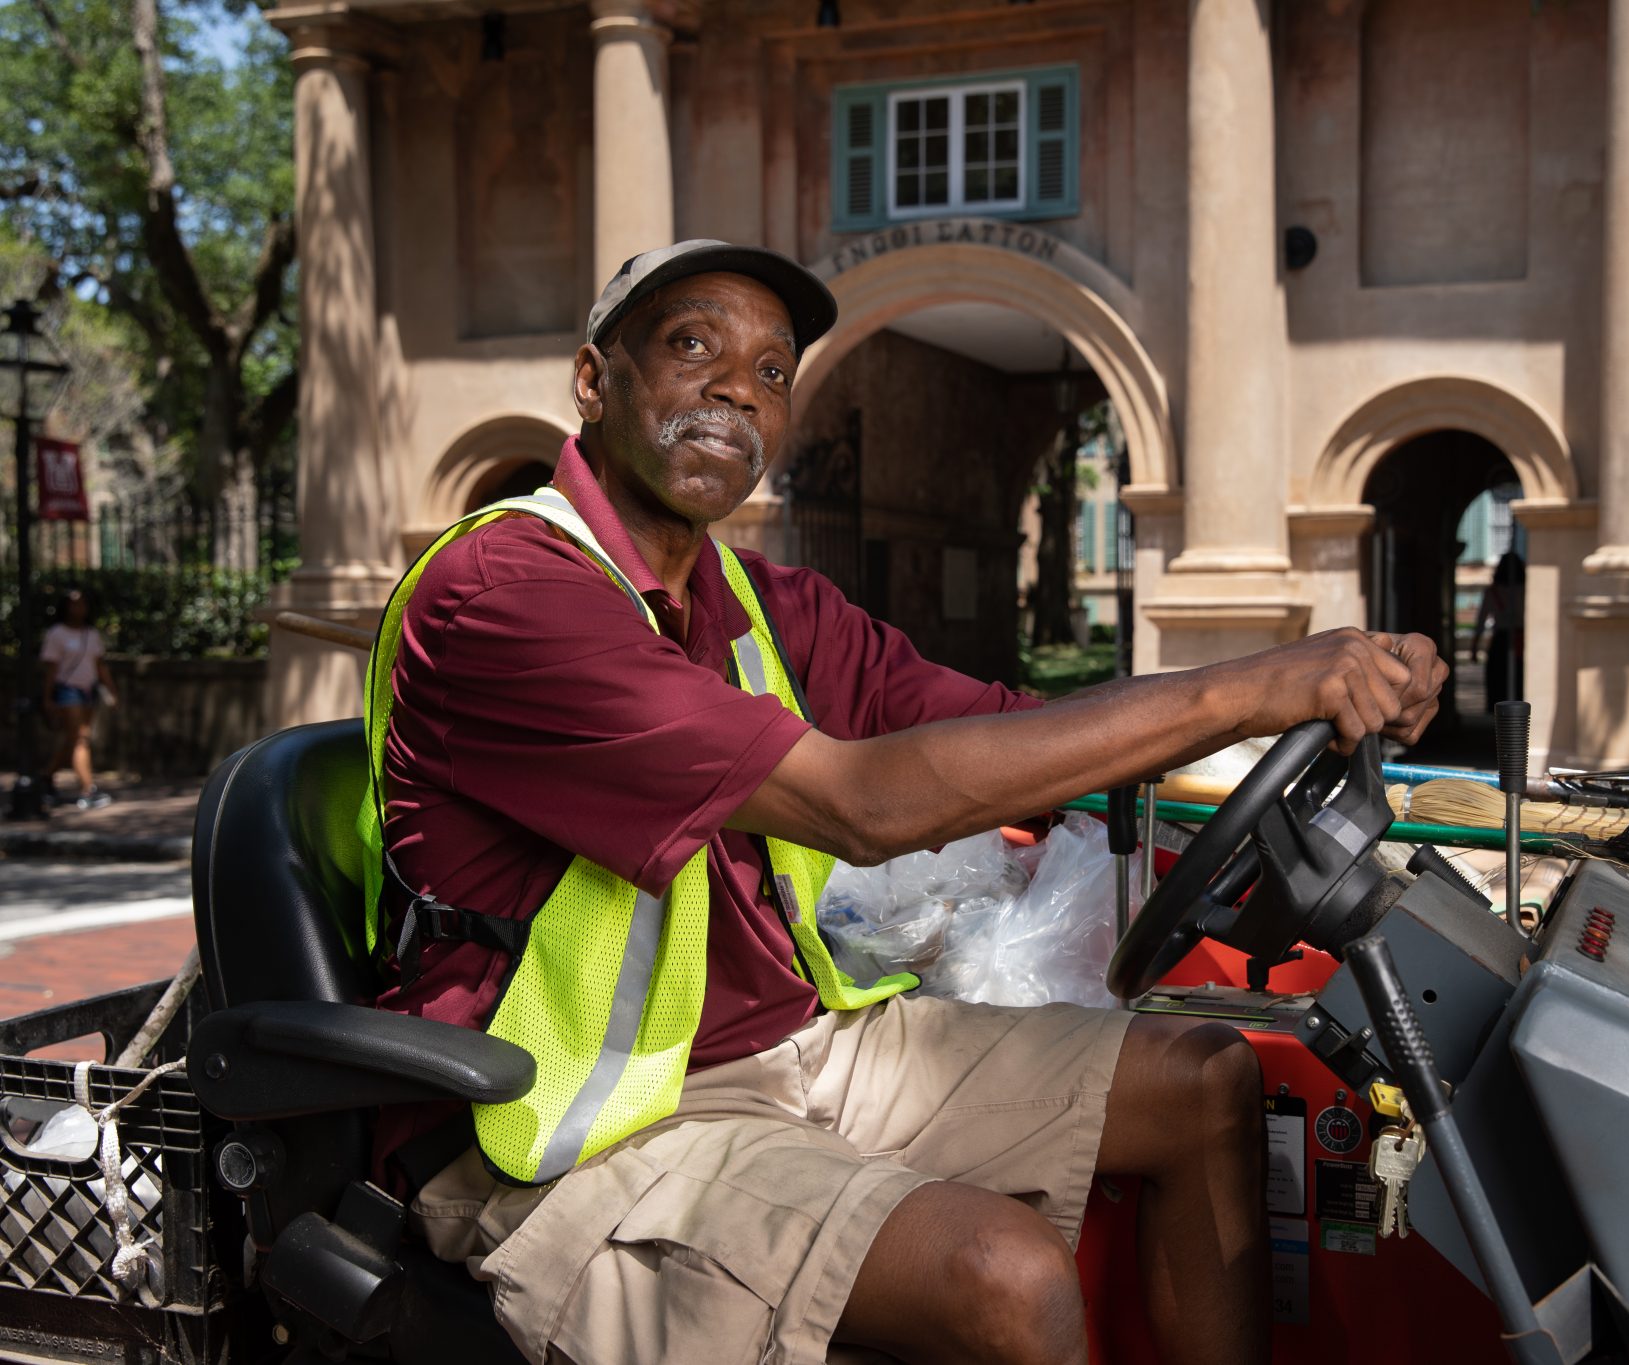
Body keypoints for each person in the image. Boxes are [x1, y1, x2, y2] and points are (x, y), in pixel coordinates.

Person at [369, 240, 1447, 1365]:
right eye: (693, 348)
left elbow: (1010, 725)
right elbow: (863, 807)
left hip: (794, 1047)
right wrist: (1246, 686)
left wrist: (1301, 704)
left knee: (1207, 1079)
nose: (737, 388)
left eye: (773, 371)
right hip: (583, 1128)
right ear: (595, 381)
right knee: (1006, 1279)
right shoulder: (505, 596)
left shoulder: (756, 599)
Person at [41, 588, 115, 810]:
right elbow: (51, 671)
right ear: (65, 606)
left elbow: (100, 666)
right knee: (81, 738)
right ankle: (87, 789)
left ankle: (45, 777)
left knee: (72, 740)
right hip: (67, 691)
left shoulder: (91, 634)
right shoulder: (57, 634)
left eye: (82, 603)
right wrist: (47, 698)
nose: (78, 608)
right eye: (73, 603)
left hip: (88, 691)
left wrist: (112, 690)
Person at [1472, 548, 1525, 710]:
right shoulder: (1526, 590)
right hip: (1522, 639)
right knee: (1520, 680)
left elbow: (1481, 621)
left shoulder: (1493, 592)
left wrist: (1474, 647)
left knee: (1497, 680)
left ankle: (1497, 716)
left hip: (1500, 641)